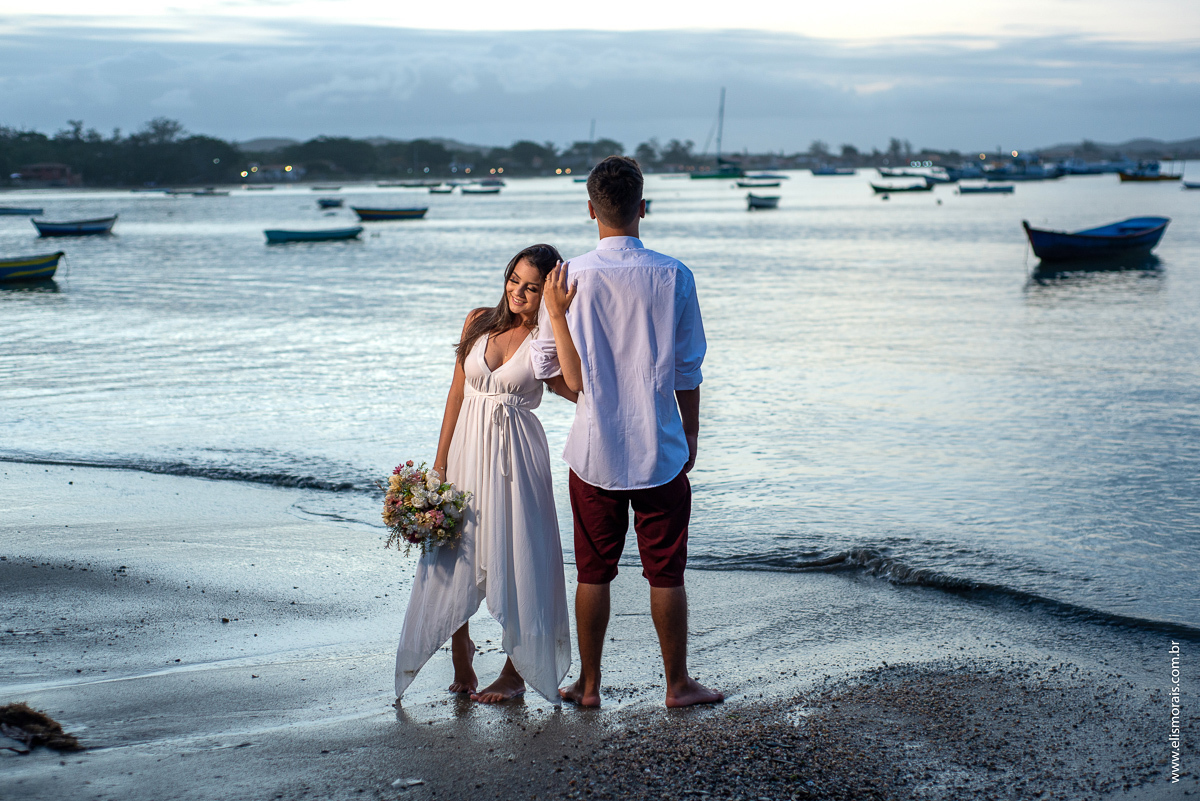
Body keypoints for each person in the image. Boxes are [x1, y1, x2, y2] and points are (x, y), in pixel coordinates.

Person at [534, 155, 723, 708]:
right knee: (666, 572)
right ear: (642, 207)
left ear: (591, 209)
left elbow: (548, 367)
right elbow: (688, 369)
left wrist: (590, 401)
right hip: (660, 449)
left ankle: (589, 687)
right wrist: (689, 434)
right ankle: (676, 685)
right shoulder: (674, 274)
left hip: (593, 452)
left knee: (593, 571)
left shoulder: (564, 278)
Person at [395, 244, 576, 705]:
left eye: (533, 287)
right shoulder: (479, 320)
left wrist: (560, 319)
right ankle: (461, 649)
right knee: (454, 550)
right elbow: (456, 394)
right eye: (514, 280)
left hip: (517, 458)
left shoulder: (548, 337)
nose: (518, 291)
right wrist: (438, 465)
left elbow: (576, 390)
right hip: (465, 451)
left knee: (519, 555)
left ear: (547, 291)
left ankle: (516, 672)